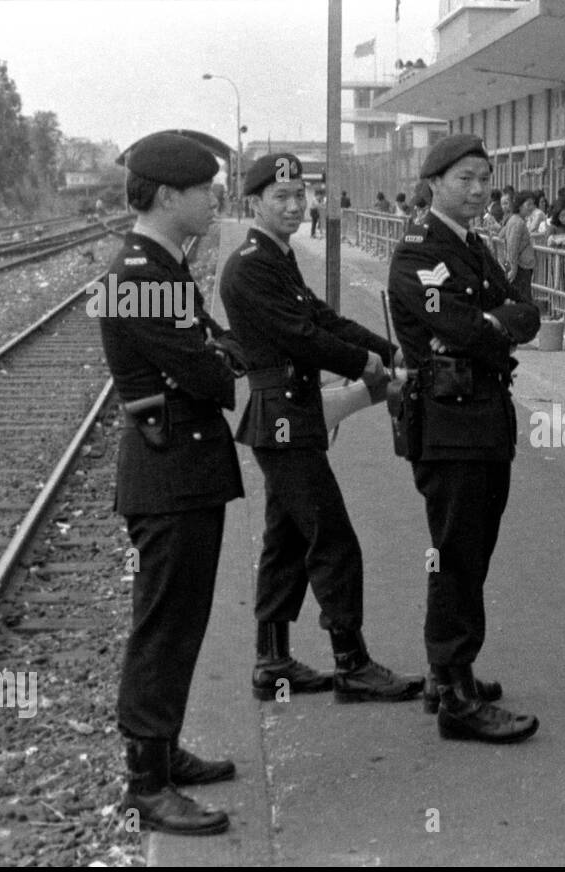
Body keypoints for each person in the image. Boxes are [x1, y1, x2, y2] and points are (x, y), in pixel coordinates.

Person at [219, 153, 424, 707]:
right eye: (280, 197)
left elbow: (324, 320)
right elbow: (300, 336)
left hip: (290, 414)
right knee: (332, 540)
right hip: (282, 418)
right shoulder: (250, 265)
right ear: (254, 202)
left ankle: (272, 659)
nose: (293, 205)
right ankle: (351, 663)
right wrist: (368, 366)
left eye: (299, 195)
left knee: (286, 539)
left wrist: (388, 348)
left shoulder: (276, 258)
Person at [98, 131, 245, 836]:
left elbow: (216, 347)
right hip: (170, 472)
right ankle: (146, 785)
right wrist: (219, 359)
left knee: (182, 620)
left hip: (182, 468)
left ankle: (164, 750)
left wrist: (218, 352)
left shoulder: (159, 265)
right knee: (163, 626)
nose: (215, 198)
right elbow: (213, 373)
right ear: (166, 196)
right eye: (204, 189)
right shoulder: (140, 278)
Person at [387, 133, 542, 743]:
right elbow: (460, 327)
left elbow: (523, 314)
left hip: (481, 417)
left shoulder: (472, 247)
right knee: (456, 553)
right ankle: (455, 695)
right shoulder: (419, 253)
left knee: (469, 552)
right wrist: (490, 324)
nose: (478, 191)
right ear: (433, 185)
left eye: (484, 179)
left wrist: (491, 324)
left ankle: (447, 671)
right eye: (464, 180)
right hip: (451, 422)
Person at [503, 190, 537, 301]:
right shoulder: (518, 222)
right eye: (528, 204)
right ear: (520, 205)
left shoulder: (514, 220)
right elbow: (513, 246)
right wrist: (513, 268)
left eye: (533, 204)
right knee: (523, 299)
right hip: (520, 267)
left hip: (520, 266)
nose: (531, 207)